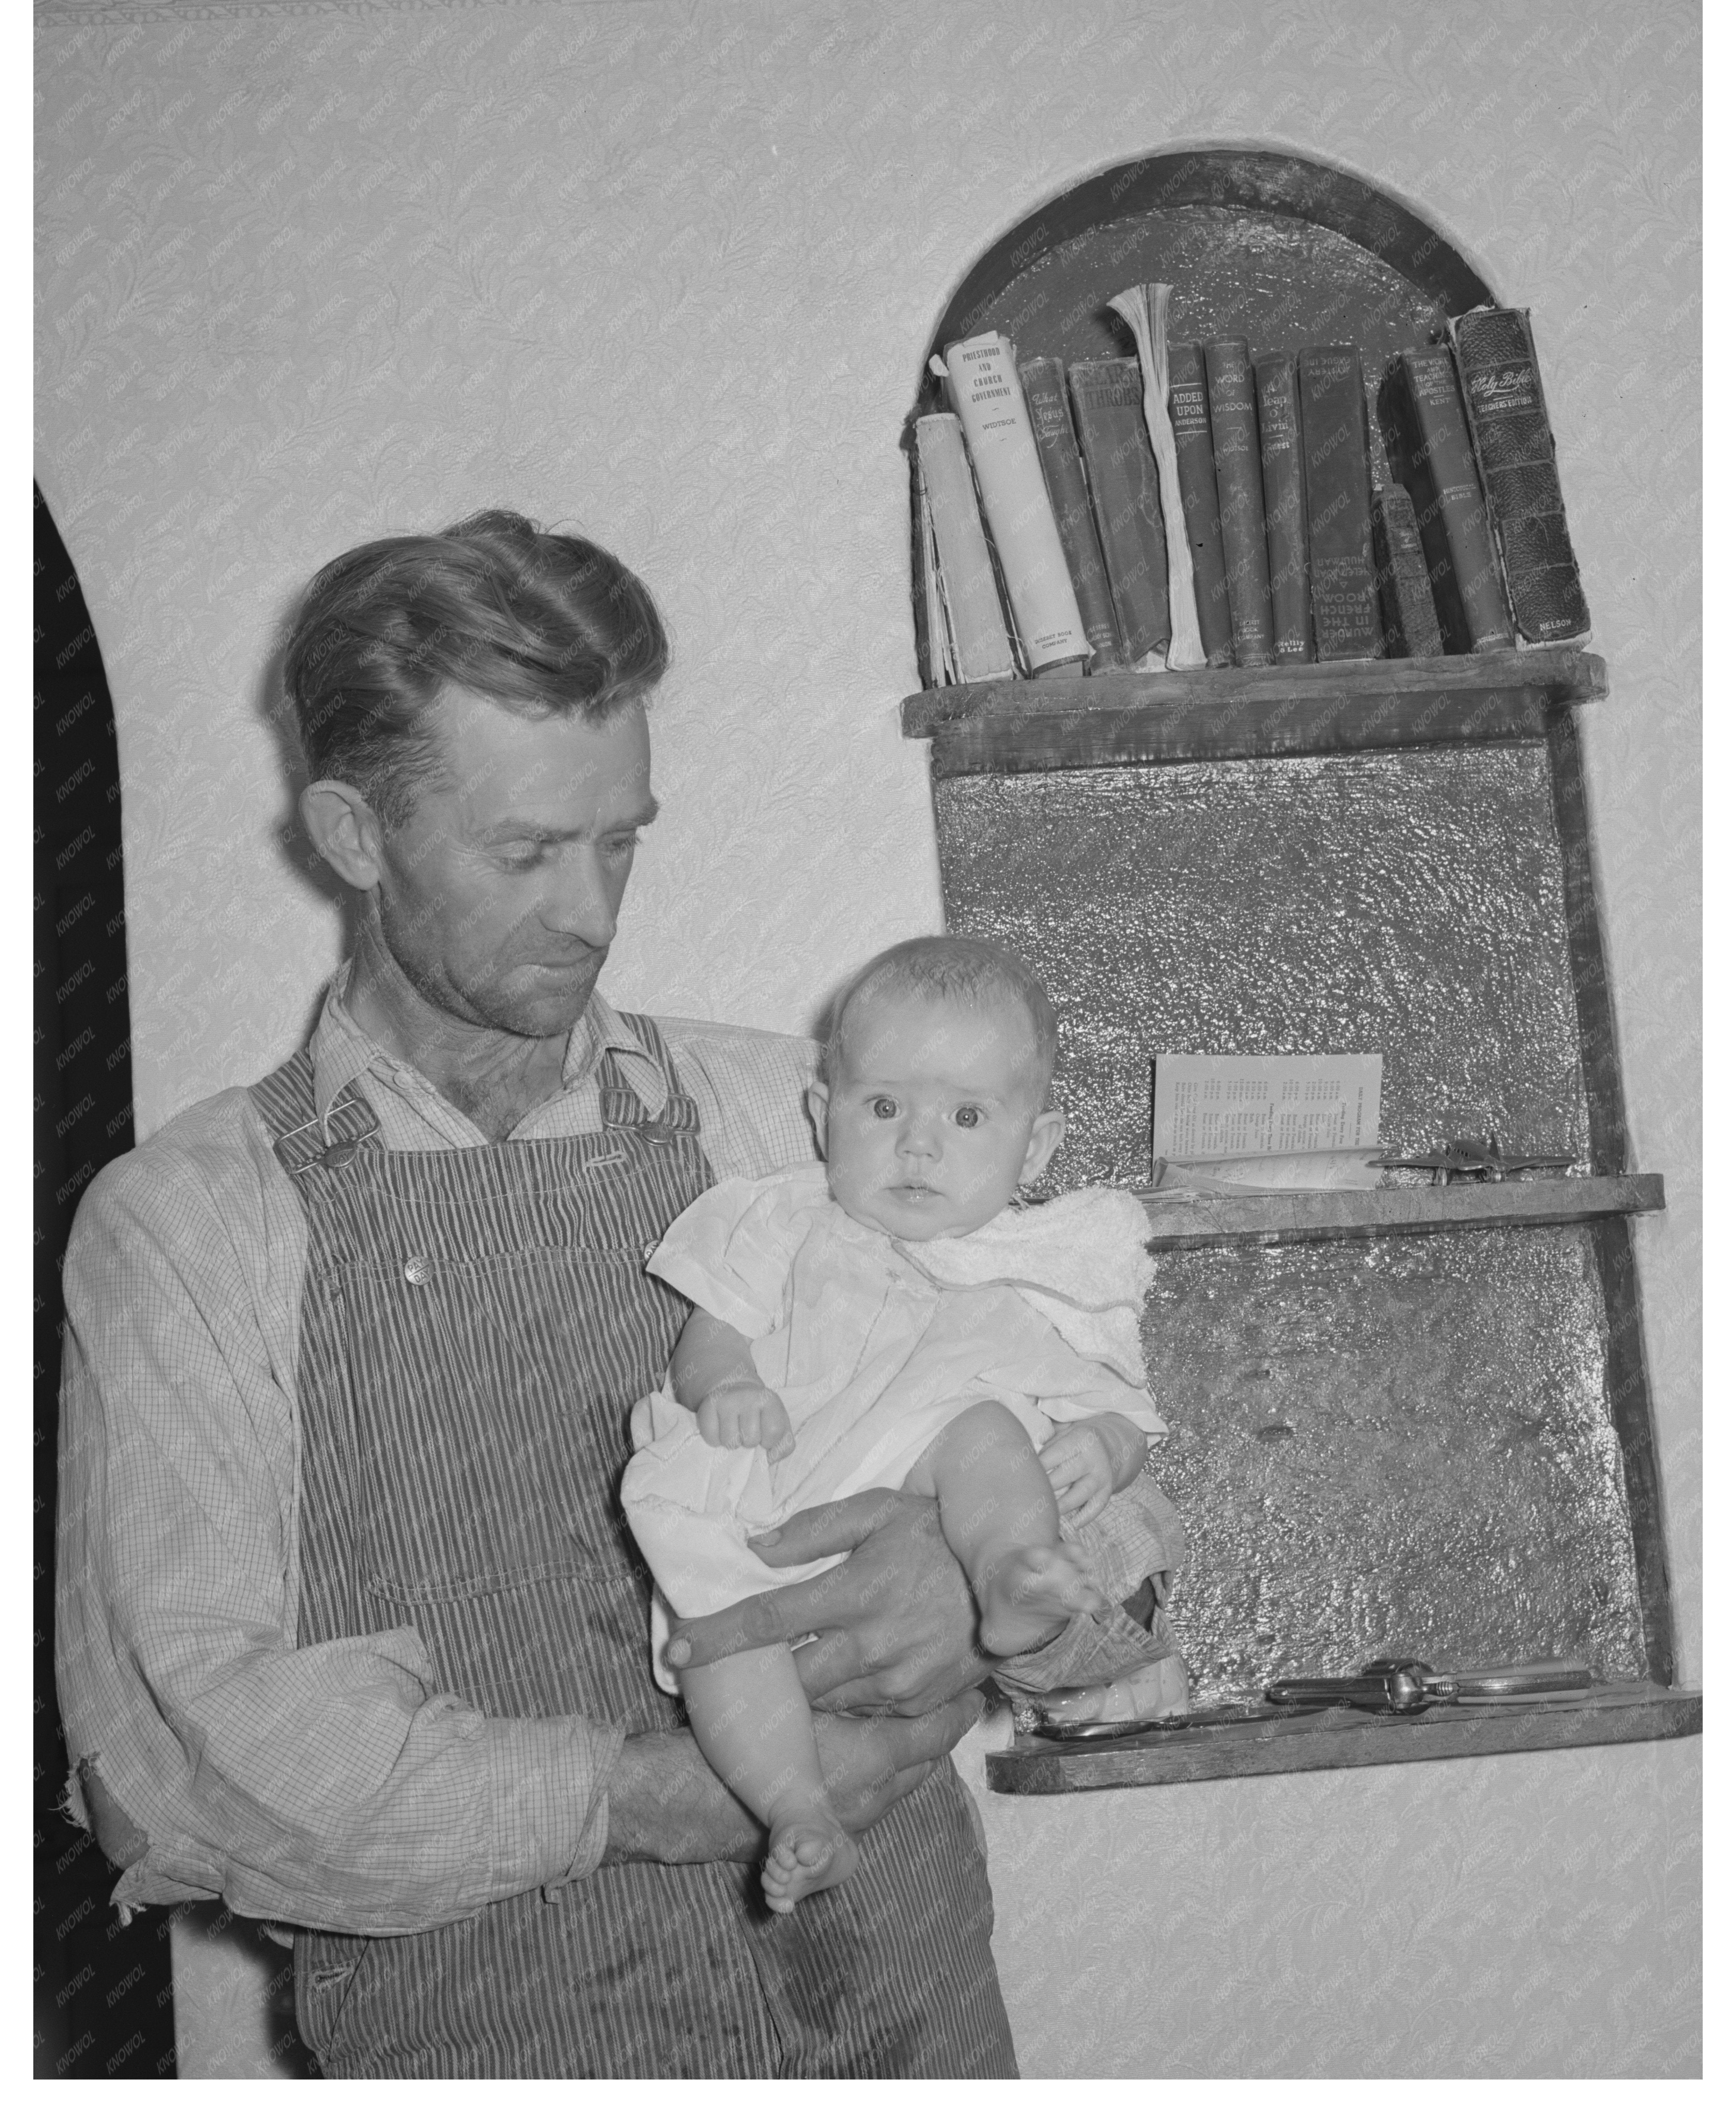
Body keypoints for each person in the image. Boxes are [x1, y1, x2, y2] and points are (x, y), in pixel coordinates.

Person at [52, 511, 1171, 2079]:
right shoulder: (188, 1227)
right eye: (525, 853)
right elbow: (185, 1767)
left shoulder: (802, 1120)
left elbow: (1120, 1476)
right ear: (354, 835)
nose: (591, 909)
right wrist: (642, 1797)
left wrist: (992, 1597)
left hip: (903, 2023)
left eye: (621, 839)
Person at [622, 935, 1187, 1912]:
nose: (918, 1146)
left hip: (918, 1459)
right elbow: (711, 1339)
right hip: (773, 1479)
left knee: (983, 1435)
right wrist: (727, 1386)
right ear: (822, 1114)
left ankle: (1007, 1579)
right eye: (884, 1108)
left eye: (966, 1117)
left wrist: (1102, 1446)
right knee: (717, 1631)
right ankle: (798, 1810)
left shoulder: (1037, 1271)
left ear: (1034, 1148)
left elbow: (1121, 1418)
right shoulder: (780, 1216)